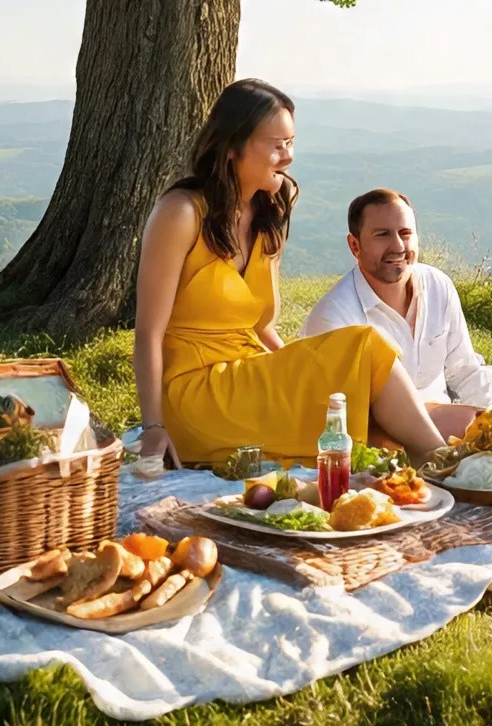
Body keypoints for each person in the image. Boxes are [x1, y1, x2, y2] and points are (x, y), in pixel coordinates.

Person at [133, 79, 446, 469]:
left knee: (353, 401)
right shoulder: (180, 213)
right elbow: (148, 332)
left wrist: (306, 374)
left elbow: (263, 327)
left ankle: (437, 462)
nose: (288, 156)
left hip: (245, 377)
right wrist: (153, 425)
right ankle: (441, 463)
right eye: (277, 145)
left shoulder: (266, 214)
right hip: (194, 393)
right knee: (362, 346)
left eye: (291, 143)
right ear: (232, 147)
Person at [299, 189, 492, 443]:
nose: (398, 246)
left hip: (452, 432)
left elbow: (465, 371)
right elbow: (343, 419)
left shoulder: (438, 286)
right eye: (382, 234)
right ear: (355, 246)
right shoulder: (334, 318)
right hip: (385, 445)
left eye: (405, 233)